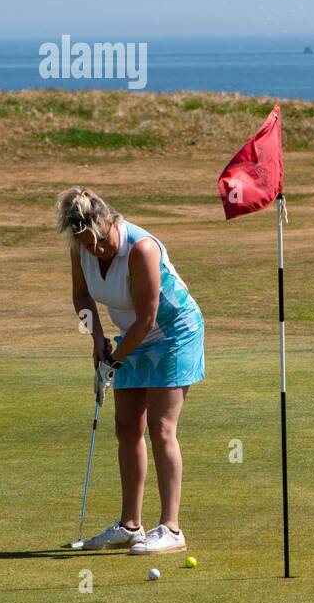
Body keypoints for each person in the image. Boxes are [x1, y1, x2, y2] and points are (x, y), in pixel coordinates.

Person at [57, 187, 204, 553]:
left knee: (160, 425)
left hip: (173, 332)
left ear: (110, 222)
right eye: (89, 245)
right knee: (126, 425)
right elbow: (81, 296)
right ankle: (130, 525)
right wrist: (97, 340)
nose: (98, 250)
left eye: (101, 242)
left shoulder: (141, 249)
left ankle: (171, 529)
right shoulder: (81, 248)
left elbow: (148, 317)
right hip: (131, 335)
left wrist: (114, 359)